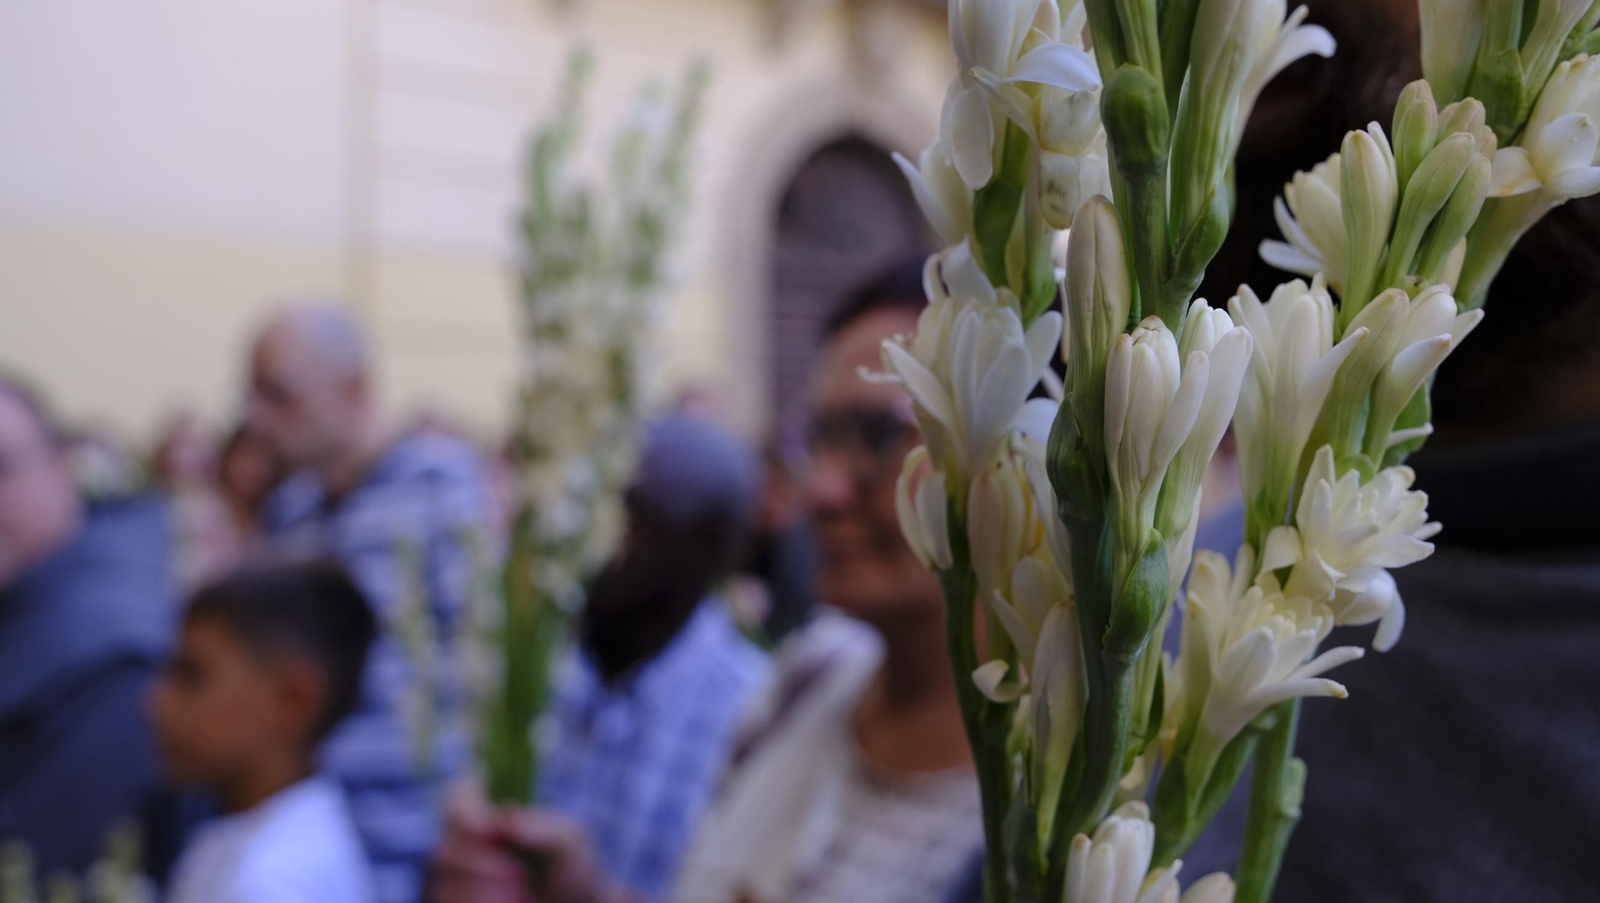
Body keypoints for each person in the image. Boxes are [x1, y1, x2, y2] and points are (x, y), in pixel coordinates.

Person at [432, 255, 984, 903]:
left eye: (877, 435)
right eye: (820, 437)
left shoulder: (1076, 804)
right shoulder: (804, 687)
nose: (827, 489)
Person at [244, 305, 496, 903]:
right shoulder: (291, 513)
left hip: (414, 856)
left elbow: (482, 670)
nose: (257, 419)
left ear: (353, 389)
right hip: (310, 848)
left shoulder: (442, 490)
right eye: (253, 396)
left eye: (279, 395)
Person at [536, 414, 770, 900]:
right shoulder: (546, 665)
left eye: (629, 520)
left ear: (708, 548)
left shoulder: (753, 714)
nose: (597, 545)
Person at [0, 375, 181, 879]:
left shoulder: (113, 650)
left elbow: (44, 861)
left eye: (1, 470)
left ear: (63, 468)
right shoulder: (30, 596)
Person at [153, 559, 378, 903]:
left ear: (292, 702)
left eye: (191, 675)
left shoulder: (272, 884)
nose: (158, 701)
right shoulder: (247, 839)